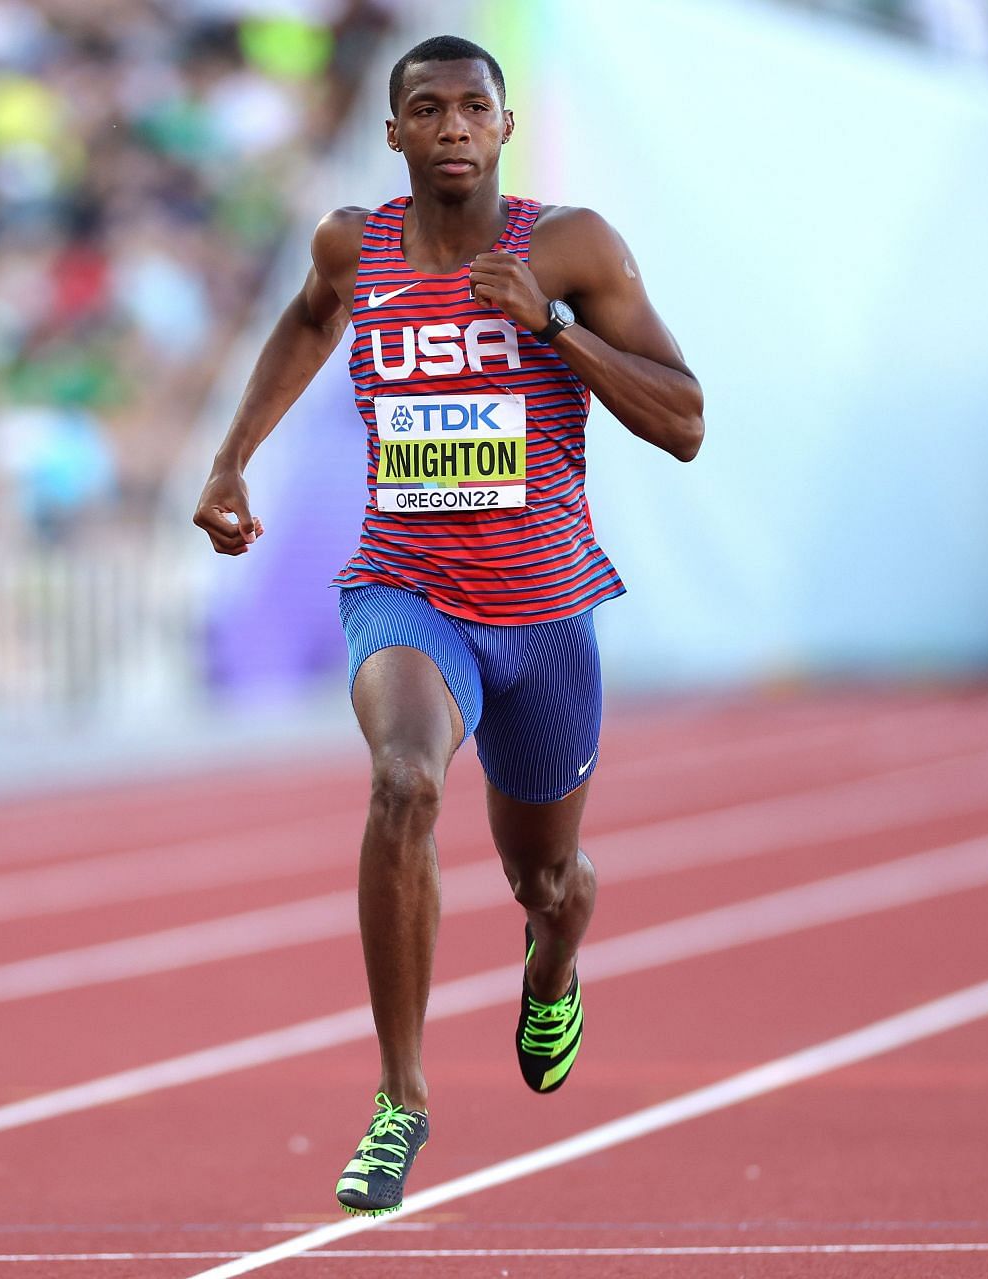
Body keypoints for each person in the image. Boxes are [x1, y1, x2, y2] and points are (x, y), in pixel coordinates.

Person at [193, 35, 704, 1216]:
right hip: (407, 590)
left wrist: (555, 328)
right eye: (430, 110)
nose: (455, 128)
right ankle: (401, 1097)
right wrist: (231, 460)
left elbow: (683, 420)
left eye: (476, 108)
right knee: (404, 782)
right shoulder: (352, 246)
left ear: (504, 127)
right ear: (396, 135)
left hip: (547, 614)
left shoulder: (569, 245)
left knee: (549, 877)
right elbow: (311, 320)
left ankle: (556, 957)